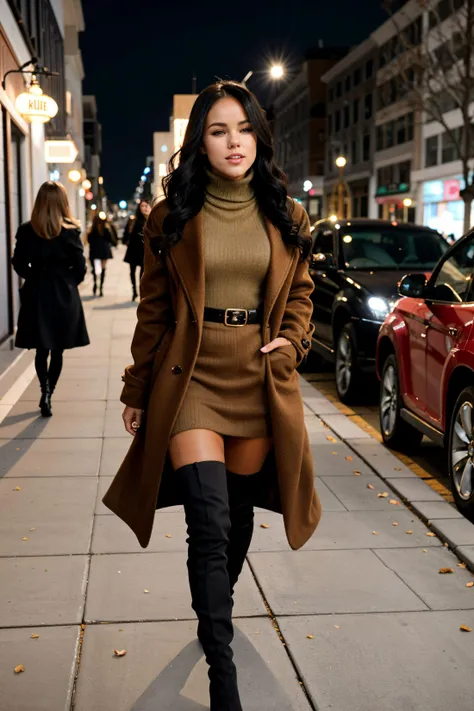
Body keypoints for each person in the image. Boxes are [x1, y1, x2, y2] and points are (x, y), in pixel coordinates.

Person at [103, 81, 321, 710]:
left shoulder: (288, 213)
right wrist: (137, 387)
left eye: (244, 129)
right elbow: (153, 309)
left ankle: (212, 607)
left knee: (238, 510)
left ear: (259, 136)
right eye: (219, 130)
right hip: (190, 376)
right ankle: (223, 677)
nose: (233, 142)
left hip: (255, 379)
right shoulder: (170, 215)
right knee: (208, 518)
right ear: (201, 138)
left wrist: (293, 340)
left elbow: (302, 292)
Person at [12, 181, 89, 417]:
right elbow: (80, 267)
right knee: (58, 348)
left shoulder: (27, 230)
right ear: (62, 203)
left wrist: (34, 277)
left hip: (37, 292)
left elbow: (18, 262)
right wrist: (67, 282)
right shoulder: (70, 231)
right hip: (62, 293)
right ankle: (49, 393)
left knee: (40, 348)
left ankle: (43, 390)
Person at [123, 200, 151, 300]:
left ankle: (141, 292)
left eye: (146, 206)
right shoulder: (133, 220)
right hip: (133, 250)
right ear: (139, 208)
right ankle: (134, 291)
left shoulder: (151, 220)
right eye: (143, 206)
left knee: (142, 273)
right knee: (132, 272)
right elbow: (126, 235)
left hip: (144, 251)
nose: (145, 208)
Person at [87, 214, 114, 296]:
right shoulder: (105, 228)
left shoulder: (92, 230)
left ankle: (95, 283)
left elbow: (89, 240)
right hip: (104, 251)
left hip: (95, 251)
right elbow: (110, 239)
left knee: (96, 269)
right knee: (102, 269)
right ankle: (101, 287)